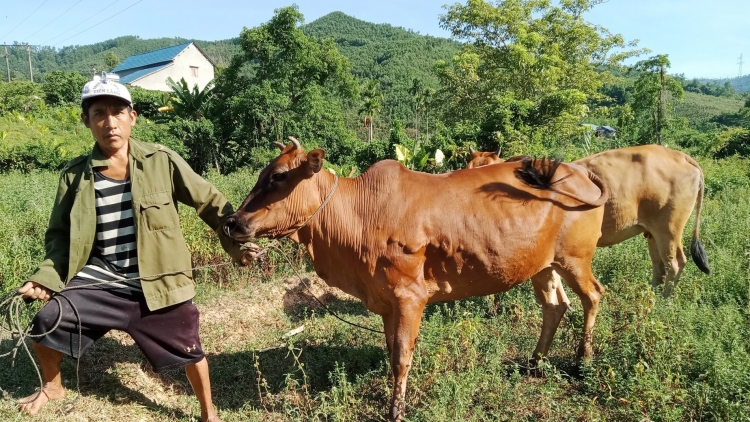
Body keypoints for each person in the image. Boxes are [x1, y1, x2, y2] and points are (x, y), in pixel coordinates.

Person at [16, 72, 254, 422]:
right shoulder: (74, 176)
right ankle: (53, 386)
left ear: (132, 117)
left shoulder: (162, 161)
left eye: (117, 111)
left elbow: (210, 203)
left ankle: (209, 412)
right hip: (101, 282)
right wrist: (45, 279)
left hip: (159, 281)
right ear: (86, 121)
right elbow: (60, 238)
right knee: (47, 321)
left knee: (191, 348)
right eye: (99, 113)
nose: (109, 122)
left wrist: (238, 245)